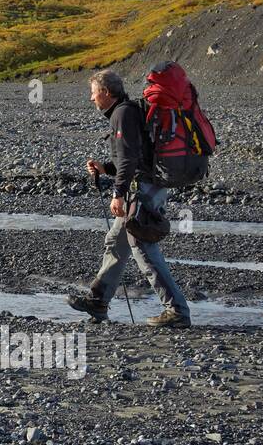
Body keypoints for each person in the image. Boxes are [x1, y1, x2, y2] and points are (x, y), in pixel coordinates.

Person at [68, 69, 192, 328]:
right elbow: (132, 157)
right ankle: (98, 301)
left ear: (105, 92)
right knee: (116, 241)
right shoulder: (125, 111)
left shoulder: (123, 113)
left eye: (93, 93)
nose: (91, 99)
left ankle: (177, 310)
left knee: (142, 246)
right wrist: (105, 168)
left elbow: (129, 160)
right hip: (146, 185)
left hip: (144, 189)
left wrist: (118, 194)